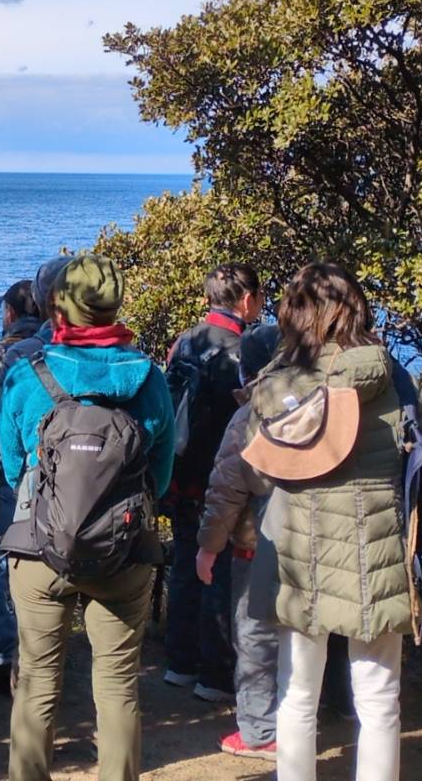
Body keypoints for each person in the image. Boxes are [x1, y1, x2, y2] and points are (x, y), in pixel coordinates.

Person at [0, 254, 174, 781]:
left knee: (37, 681)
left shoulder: (26, 375)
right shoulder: (149, 380)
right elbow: (160, 476)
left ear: (57, 306)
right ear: (115, 306)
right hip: (125, 549)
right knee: (117, 685)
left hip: (39, 549)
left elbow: (12, 468)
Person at [242, 262, 412, 781]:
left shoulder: (276, 385)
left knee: (296, 694)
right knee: (378, 699)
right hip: (374, 544)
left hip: (298, 549)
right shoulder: (388, 376)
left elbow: (257, 472)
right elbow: (413, 450)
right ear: (355, 309)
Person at [164, 264, 263, 700]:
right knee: (220, 569)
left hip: (181, 471)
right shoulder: (246, 350)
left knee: (186, 564)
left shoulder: (185, 342)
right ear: (247, 300)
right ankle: (215, 674)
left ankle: (179, 663)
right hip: (222, 476)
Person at [195, 322, 281, 760]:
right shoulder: (316, 402)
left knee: (254, 638)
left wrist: (209, 546)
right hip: (308, 542)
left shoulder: (249, 414)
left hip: (255, 542)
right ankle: (309, 713)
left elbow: (226, 489)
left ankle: (260, 731)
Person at [0, 278, 43, 691]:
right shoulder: (57, 349)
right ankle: (43, 653)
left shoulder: (3, 354)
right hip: (55, 474)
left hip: (8, 474)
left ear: (11, 313)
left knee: (1, 564)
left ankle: (6, 657)